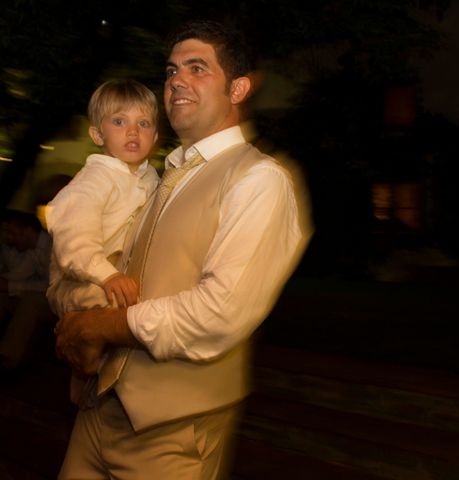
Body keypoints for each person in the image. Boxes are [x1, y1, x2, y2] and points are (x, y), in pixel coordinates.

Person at [54, 19, 310, 479]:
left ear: (239, 89)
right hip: (96, 409)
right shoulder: (152, 177)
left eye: (197, 68)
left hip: (171, 431)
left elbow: (218, 314)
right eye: (171, 71)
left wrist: (103, 325)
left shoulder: (259, 180)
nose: (176, 82)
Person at [46, 79, 159, 404]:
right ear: (98, 135)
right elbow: (72, 239)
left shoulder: (149, 179)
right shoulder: (94, 180)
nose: (133, 132)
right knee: (105, 323)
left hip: (113, 277)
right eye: (119, 122)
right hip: (79, 280)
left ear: (154, 136)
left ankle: (95, 377)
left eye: (144, 123)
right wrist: (105, 274)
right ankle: (81, 370)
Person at [0, 210, 54, 374]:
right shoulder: (32, 250)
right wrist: (6, 284)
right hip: (44, 294)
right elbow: (19, 275)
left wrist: (10, 286)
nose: (9, 238)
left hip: (58, 300)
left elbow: (49, 286)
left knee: (31, 302)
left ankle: (8, 360)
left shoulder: (53, 246)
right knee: (2, 297)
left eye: (13, 233)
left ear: (29, 231)